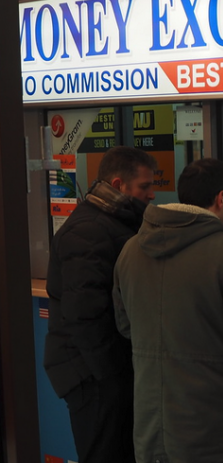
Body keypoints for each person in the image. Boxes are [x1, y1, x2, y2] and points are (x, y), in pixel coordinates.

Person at [112, 158, 223, 463]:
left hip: (152, 422)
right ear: (221, 198)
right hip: (215, 426)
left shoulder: (131, 249)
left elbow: (126, 325)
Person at [44, 145, 157, 463]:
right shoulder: (90, 230)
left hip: (102, 373)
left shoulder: (115, 222)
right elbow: (85, 315)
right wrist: (113, 375)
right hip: (93, 377)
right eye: (145, 186)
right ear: (119, 185)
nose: (151, 194)